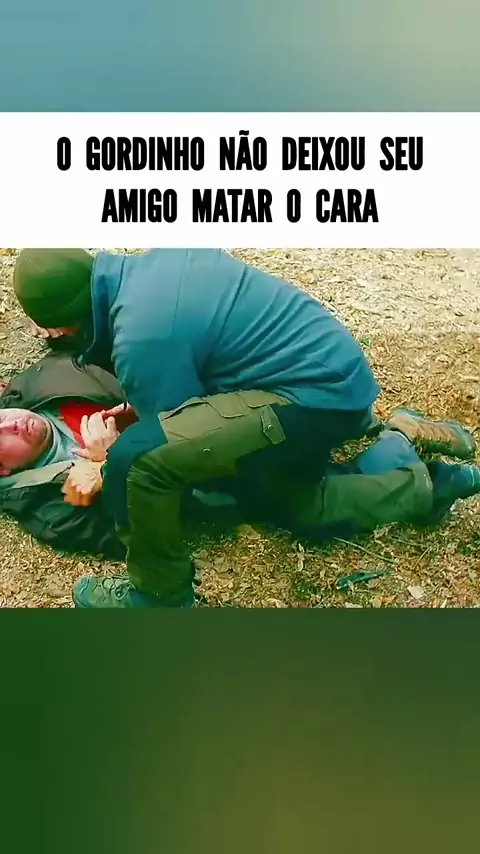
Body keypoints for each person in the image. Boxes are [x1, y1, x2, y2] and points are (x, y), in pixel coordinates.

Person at [11, 248, 478, 609]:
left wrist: (105, 462)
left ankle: (158, 595)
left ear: (62, 327)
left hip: (314, 401)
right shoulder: (155, 269)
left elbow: (173, 443)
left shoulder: (140, 337)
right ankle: (409, 455)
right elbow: (212, 355)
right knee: (287, 499)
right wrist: (142, 405)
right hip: (331, 374)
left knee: (137, 462)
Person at [1, 351, 479, 594]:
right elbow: (132, 534)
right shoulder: (51, 508)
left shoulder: (37, 382)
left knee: (305, 491)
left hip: (230, 399)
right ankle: (408, 454)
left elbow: (115, 346)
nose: (10, 423)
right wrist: (112, 466)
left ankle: (407, 457)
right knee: (300, 500)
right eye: (1, 436)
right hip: (214, 470)